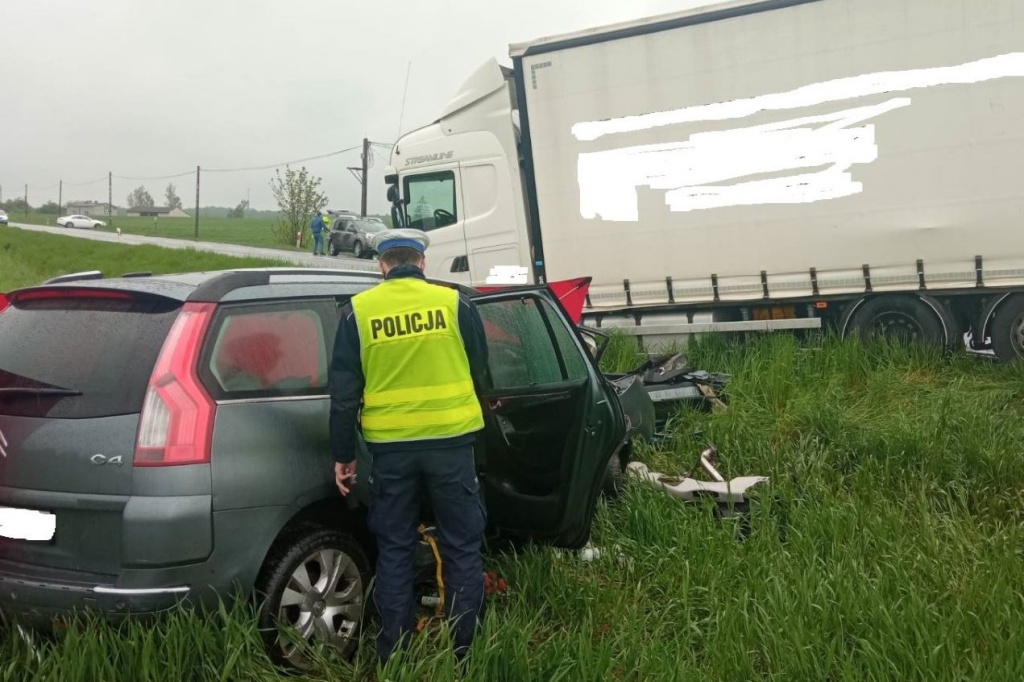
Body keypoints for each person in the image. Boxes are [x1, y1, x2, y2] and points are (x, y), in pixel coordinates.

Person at [329, 228, 489, 664]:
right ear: (421, 263)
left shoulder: (358, 313)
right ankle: (463, 652)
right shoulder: (454, 304)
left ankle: (393, 652)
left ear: (381, 265)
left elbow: (343, 396)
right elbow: (481, 373)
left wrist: (343, 456)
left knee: (396, 546)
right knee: (460, 545)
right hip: (453, 446)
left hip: (391, 452)